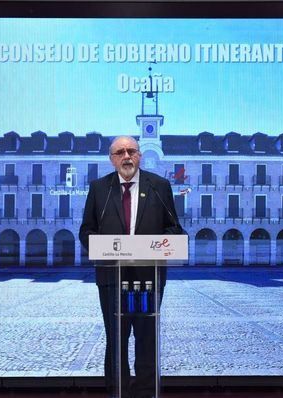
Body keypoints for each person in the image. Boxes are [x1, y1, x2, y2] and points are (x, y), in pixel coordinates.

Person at [79, 136, 183, 398]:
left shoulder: (159, 186)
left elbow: (173, 228)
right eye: (120, 152)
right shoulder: (99, 188)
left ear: (140, 155)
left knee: (147, 338)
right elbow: (86, 231)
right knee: (116, 339)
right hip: (112, 279)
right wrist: (101, 246)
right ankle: (118, 392)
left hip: (148, 278)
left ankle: (147, 392)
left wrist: (161, 244)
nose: (127, 156)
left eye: (132, 151)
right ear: (112, 159)